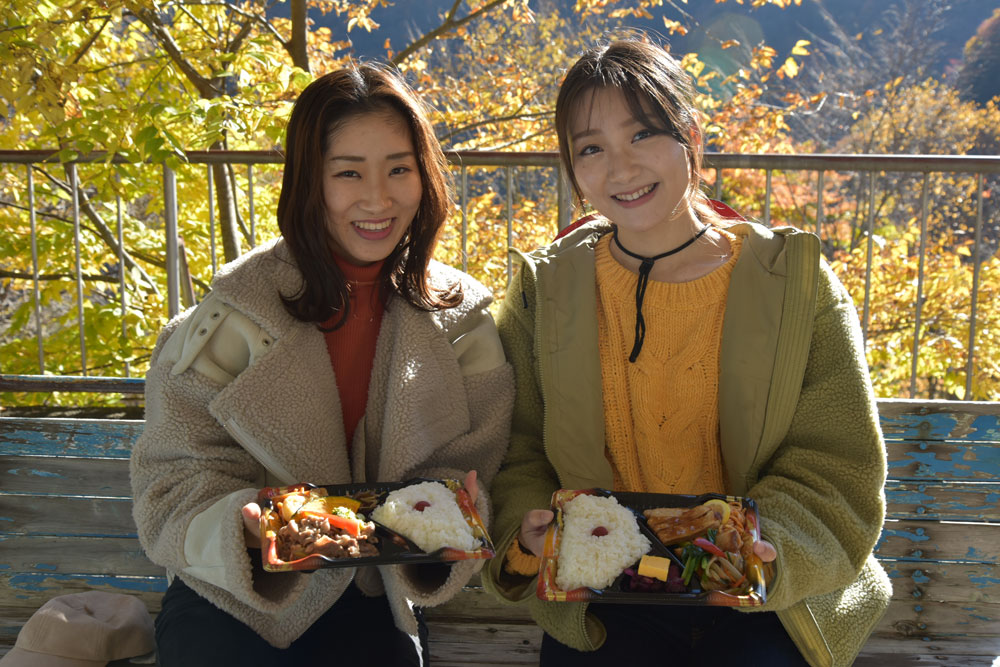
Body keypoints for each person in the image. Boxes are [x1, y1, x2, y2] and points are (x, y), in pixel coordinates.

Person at [482, 37, 891, 667]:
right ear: (573, 169)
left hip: (761, 598)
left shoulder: (792, 283)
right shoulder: (546, 292)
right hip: (604, 595)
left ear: (691, 139)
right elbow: (520, 451)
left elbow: (837, 463)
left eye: (643, 135)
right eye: (591, 148)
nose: (619, 168)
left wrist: (759, 547)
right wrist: (527, 533)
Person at [130, 62, 514, 666]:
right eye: (347, 173)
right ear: (309, 181)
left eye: (399, 169)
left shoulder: (461, 320)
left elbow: (473, 469)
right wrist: (244, 529)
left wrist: (457, 517)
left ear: (425, 177)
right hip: (239, 600)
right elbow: (168, 485)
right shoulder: (235, 313)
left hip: (376, 598)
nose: (378, 198)